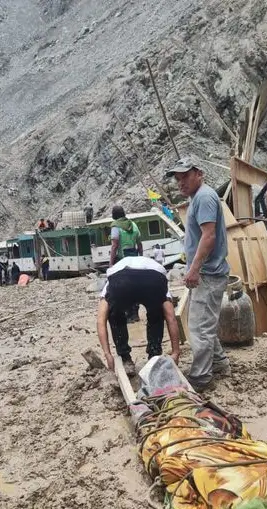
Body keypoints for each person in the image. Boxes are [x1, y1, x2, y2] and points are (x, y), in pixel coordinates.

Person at [166, 156, 231, 391]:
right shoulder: (198, 197)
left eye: (185, 177)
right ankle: (219, 363)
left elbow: (209, 236)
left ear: (199, 174)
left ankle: (202, 377)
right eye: (178, 179)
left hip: (208, 273)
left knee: (198, 328)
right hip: (207, 272)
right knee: (205, 322)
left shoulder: (204, 197)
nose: (180, 183)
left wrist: (194, 269)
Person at [96, 255, 181, 376]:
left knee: (115, 315)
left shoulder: (108, 285)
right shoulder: (161, 283)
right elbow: (171, 317)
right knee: (156, 314)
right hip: (154, 278)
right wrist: (176, 352)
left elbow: (101, 321)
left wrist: (108, 354)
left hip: (121, 280)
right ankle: (154, 355)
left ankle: (125, 358)